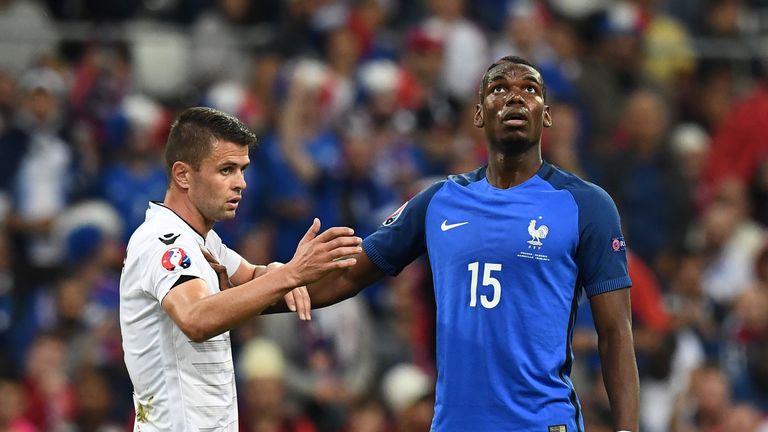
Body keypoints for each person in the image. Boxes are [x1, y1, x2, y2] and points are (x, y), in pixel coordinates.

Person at [271, 56, 639, 431]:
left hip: (543, 422)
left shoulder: (586, 204)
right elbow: (346, 279)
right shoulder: (439, 200)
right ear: (478, 115)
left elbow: (615, 332)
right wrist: (248, 296)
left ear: (546, 115)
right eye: (499, 89)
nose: (515, 98)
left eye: (529, 89)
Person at [119, 107, 362, 431]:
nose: (241, 184)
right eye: (227, 170)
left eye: (243, 170)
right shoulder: (164, 242)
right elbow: (195, 318)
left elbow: (252, 279)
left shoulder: (205, 241)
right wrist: (290, 273)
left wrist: (278, 271)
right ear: (183, 175)